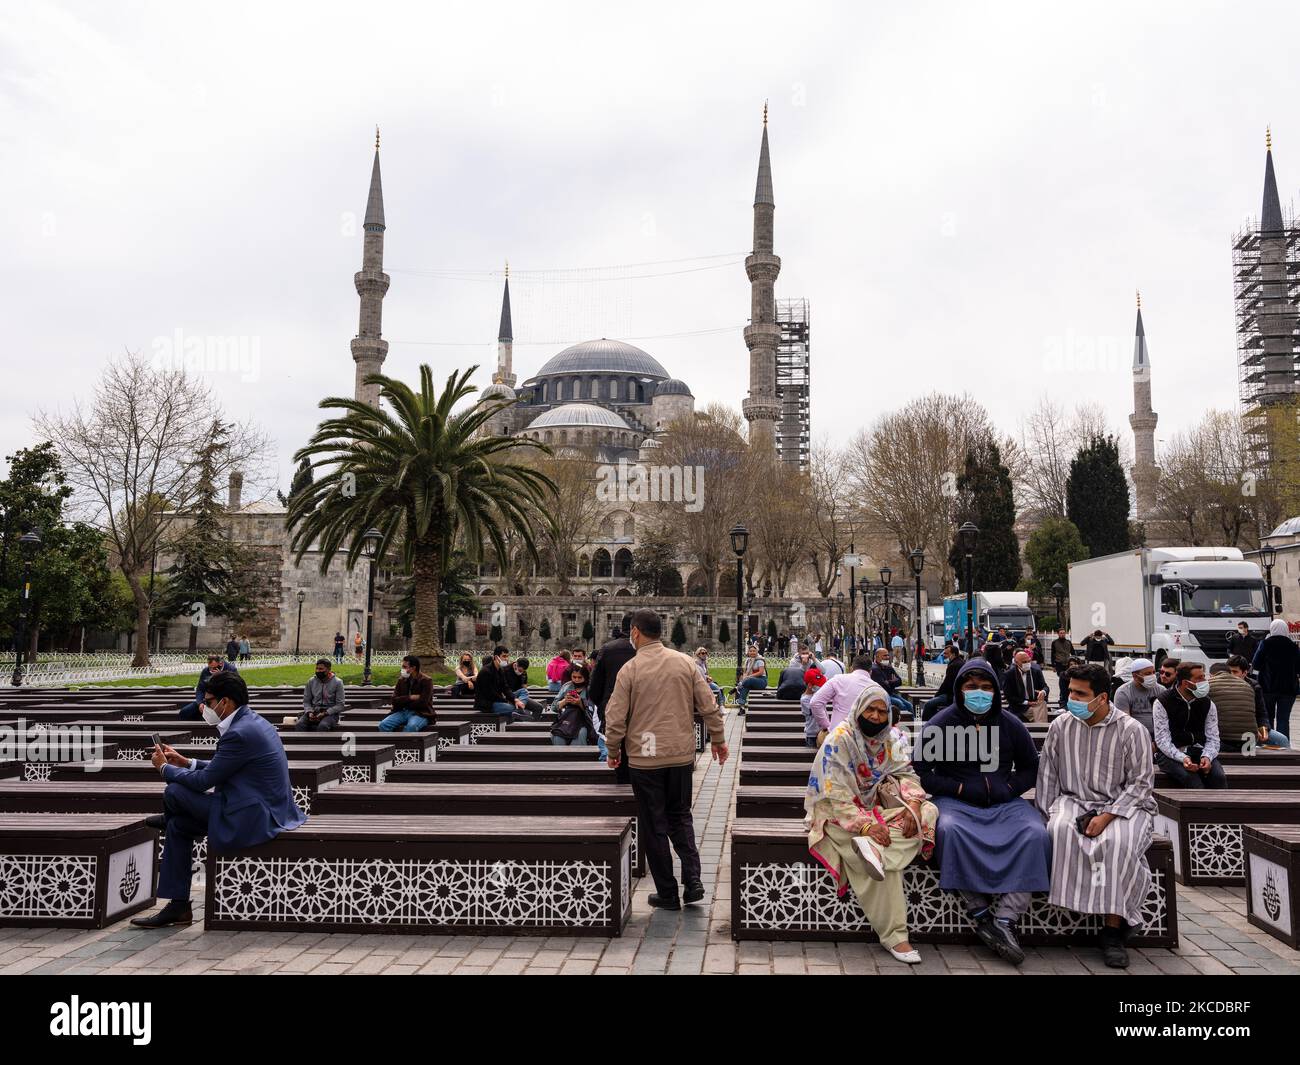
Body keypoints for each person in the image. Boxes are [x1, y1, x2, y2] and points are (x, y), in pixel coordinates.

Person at [131, 670, 306, 928]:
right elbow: (224, 767)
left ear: (227, 702)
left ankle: (168, 817)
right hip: (259, 806)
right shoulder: (252, 722)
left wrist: (164, 769)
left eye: (210, 701)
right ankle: (178, 907)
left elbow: (205, 782)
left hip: (253, 817)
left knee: (174, 792)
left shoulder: (239, 733)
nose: (205, 706)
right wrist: (186, 762)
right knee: (178, 827)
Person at [918, 658, 1050, 966]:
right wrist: (960, 789)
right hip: (956, 802)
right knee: (948, 830)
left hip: (1004, 803)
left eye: (986, 687)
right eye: (972, 687)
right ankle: (979, 912)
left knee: (1035, 833)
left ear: (996, 689)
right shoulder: (940, 723)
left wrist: (1009, 788)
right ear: (960, 689)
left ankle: (1005, 919)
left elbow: (1031, 767)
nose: (979, 693)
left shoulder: (1010, 723)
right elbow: (923, 772)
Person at [603, 609, 727, 909]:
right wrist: (719, 739)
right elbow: (709, 703)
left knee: (654, 824)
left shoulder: (631, 670)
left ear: (635, 632)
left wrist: (613, 750)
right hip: (679, 753)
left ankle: (668, 892)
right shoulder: (685, 663)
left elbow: (616, 716)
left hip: (645, 758)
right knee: (680, 815)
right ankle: (693, 878)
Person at [805, 684, 938, 965]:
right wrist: (865, 827)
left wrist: (913, 802)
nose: (876, 716)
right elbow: (833, 795)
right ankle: (896, 936)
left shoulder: (888, 739)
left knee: (927, 811)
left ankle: (876, 851)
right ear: (859, 709)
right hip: (838, 816)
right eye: (871, 709)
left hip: (875, 808)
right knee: (884, 869)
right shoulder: (839, 740)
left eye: (882, 711)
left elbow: (906, 773)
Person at [1036, 663, 1156, 969]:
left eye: (1080, 693)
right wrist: (1045, 813)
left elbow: (1141, 783)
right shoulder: (1061, 726)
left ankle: (1113, 929)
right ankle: (1068, 913)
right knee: (1059, 832)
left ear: (1102, 698)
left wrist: (1107, 815)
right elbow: (1048, 776)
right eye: (1070, 691)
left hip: (1126, 805)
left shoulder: (1132, 731)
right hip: (1072, 801)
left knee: (1116, 844)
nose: (1071, 697)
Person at [1152, 662, 1226, 789]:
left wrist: (1207, 756)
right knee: (1192, 780)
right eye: (1199, 678)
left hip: (1199, 750)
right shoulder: (1162, 702)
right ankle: (1199, 808)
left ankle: (1222, 808)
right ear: (1186, 683)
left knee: (1218, 777)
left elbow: (1213, 737)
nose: (1205, 681)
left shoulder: (1207, 703)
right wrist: (1183, 758)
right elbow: (1162, 740)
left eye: (1204, 676)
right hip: (1169, 754)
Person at [589, 619, 636, 769]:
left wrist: (603, 706)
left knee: (618, 755)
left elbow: (595, 687)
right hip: (641, 712)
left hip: (612, 709)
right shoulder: (647, 651)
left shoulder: (608, 649)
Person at [1210, 661, 1286, 751]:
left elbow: (1261, 713)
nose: (1232, 676)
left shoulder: (1252, 687)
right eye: (1231, 672)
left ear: (1244, 673)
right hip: (1243, 739)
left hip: (1246, 734)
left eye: (1235, 672)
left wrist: (1263, 728)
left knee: (1282, 740)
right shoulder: (1216, 687)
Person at [1253, 618, 1300, 739]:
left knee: (1267, 717)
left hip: (1268, 688)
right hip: (1288, 690)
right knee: (1283, 719)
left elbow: (1256, 664)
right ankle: (1283, 746)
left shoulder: (1265, 644)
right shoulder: (1293, 646)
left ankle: (1268, 743)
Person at [808, 653, 876, 736]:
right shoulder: (876, 688)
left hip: (838, 734)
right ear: (871, 672)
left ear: (851, 668)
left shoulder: (838, 679)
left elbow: (815, 702)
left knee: (821, 737)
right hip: (866, 736)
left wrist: (826, 726)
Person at [379, 655, 434, 731]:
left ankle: (403, 743)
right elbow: (394, 700)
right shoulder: (401, 680)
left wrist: (403, 702)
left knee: (411, 727)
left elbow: (423, 702)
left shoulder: (426, 681)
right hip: (402, 711)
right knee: (383, 725)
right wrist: (410, 697)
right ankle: (390, 742)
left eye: (404, 667)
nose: (402, 669)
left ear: (413, 668)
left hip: (420, 713)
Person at [1112, 657, 1160, 742]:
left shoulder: (1161, 690)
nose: (1152, 676)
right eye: (1148, 673)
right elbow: (1124, 722)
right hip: (1135, 736)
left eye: (1153, 672)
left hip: (1159, 736)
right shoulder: (1123, 692)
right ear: (1135, 676)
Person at [179, 654, 239, 720]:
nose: (211, 670)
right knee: (184, 712)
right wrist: (200, 703)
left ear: (221, 664)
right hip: (207, 701)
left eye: (214, 668)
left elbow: (234, 689)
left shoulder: (231, 670)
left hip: (223, 702)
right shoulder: (206, 671)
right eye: (209, 667)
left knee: (206, 718)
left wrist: (221, 677)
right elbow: (200, 689)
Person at [550, 663, 597, 746]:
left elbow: (595, 711)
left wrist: (580, 703)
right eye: (574, 677)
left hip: (584, 723)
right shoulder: (567, 686)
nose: (576, 680)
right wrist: (564, 701)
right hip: (566, 721)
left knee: (580, 737)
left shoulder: (591, 688)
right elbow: (553, 707)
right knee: (558, 737)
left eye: (580, 677)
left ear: (586, 677)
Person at [296, 658, 346, 731]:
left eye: (321, 669)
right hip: (314, 712)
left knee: (323, 727)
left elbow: (340, 704)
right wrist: (309, 712)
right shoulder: (311, 681)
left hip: (331, 714)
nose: (318, 671)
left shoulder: (338, 682)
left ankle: (319, 742)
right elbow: (306, 701)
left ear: (328, 669)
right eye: (317, 668)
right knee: (299, 725)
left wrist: (325, 713)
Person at [474, 647, 525, 720]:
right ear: (496, 657)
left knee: (522, 695)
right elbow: (489, 694)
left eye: (507, 656)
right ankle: (519, 715)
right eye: (504, 656)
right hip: (487, 704)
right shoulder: (486, 671)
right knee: (512, 708)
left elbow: (505, 687)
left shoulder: (500, 670)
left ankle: (519, 712)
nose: (506, 659)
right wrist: (506, 701)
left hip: (498, 700)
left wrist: (514, 699)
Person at [1002, 650, 1049, 723]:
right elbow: (1009, 696)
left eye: (1029, 661)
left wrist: (1043, 692)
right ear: (1016, 663)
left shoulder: (1036, 672)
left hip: (1036, 703)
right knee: (1038, 713)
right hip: (1020, 706)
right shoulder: (1009, 675)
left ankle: (1040, 727)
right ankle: (1041, 727)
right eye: (1024, 662)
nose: (1027, 664)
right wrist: (1027, 703)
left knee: (1042, 704)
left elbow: (1045, 687)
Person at [922, 644, 966, 720]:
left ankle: (926, 726)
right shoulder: (960, 662)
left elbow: (946, 684)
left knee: (928, 705)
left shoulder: (953, 665)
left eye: (946, 653)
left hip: (951, 696)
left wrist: (937, 695)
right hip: (955, 695)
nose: (944, 656)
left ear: (953, 654)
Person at [869, 647, 912, 721]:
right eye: (884, 656)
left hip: (891, 693)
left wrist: (889, 682)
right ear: (877, 657)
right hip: (881, 695)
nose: (887, 657)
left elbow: (899, 681)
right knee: (900, 704)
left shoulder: (888, 667)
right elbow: (883, 686)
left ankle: (913, 725)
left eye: (888, 655)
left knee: (909, 705)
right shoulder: (874, 669)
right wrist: (892, 682)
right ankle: (905, 725)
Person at [800, 667, 827, 748]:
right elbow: (815, 712)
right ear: (810, 685)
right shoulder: (805, 699)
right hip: (812, 734)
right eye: (819, 686)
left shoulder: (817, 696)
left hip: (821, 731)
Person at [735, 645, 769, 710]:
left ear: (757, 652)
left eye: (754, 651)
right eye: (750, 651)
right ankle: (742, 707)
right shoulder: (748, 661)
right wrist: (745, 678)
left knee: (748, 681)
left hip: (761, 681)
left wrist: (748, 677)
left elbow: (761, 672)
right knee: (745, 687)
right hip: (750, 681)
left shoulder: (760, 660)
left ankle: (739, 685)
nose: (752, 652)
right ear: (748, 652)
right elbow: (745, 672)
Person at [1049, 628, 1074, 708]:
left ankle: (1067, 697)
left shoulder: (1068, 642)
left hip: (1068, 664)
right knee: (1062, 680)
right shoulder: (1054, 643)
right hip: (1059, 664)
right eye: (1061, 633)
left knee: (1069, 681)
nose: (1062, 634)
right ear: (1058, 634)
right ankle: (1062, 698)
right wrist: (1053, 665)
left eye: (1063, 633)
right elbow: (1052, 654)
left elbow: (1073, 652)